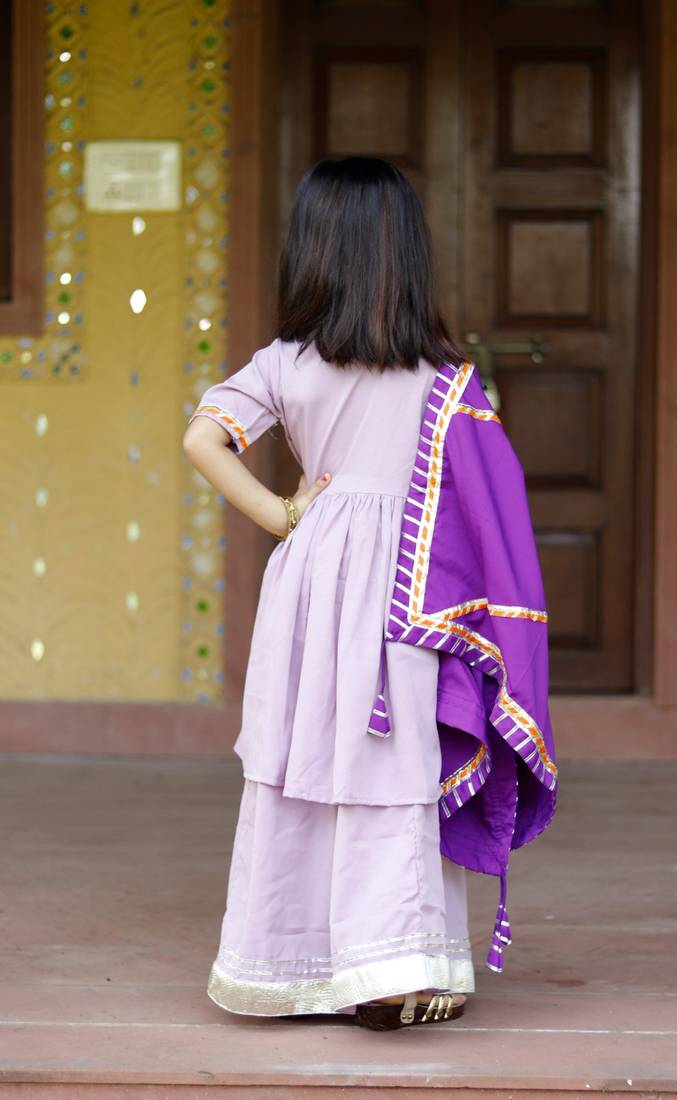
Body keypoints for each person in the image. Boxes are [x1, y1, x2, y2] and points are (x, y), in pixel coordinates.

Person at [183, 157, 481, 1029]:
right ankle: (394, 972)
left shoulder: (285, 364)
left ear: (311, 251)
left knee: (304, 753)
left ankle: (287, 963)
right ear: (409, 254)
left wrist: (281, 513)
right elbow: (478, 499)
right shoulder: (447, 377)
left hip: (315, 581)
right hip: (410, 587)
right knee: (396, 760)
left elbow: (203, 440)